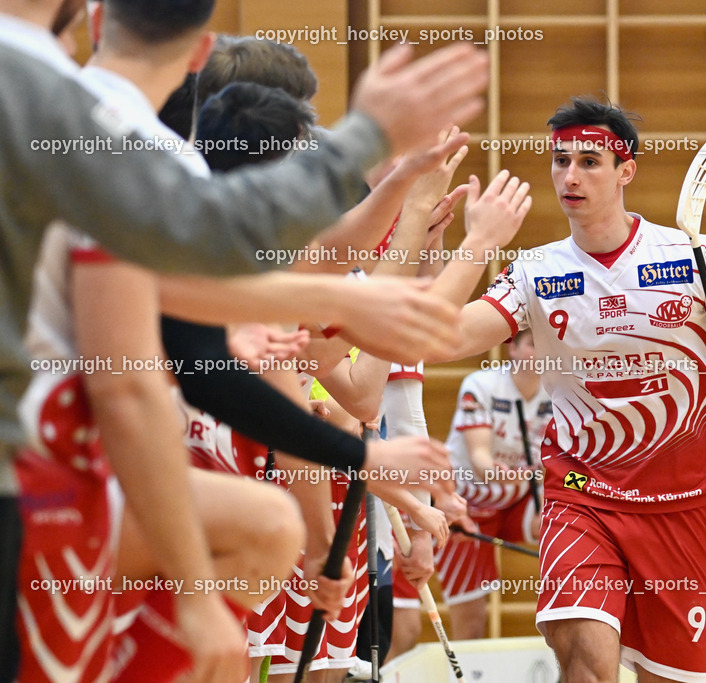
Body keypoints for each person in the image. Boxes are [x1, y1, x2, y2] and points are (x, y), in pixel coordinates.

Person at [0, 1, 488, 675]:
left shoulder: (122, 142)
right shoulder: (102, 132)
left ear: (97, 19)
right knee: (263, 540)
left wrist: (378, 210)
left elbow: (209, 288)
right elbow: (154, 365)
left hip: (128, 452)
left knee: (262, 533)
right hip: (70, 464)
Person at [431, 96, 706, 682]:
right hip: (581, 492)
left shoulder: (693, 259)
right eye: (560, 161)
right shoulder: (535, 271)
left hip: (678, 506)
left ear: (626, 169)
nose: (570, 175)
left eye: (589, 161)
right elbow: (441, 339)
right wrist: (451, 248)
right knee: (587, 657)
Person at [434, 330, 550, 640]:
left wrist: (555, 500)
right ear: (512, 348)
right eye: (533, 344)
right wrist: (498, 471)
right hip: (465, 502)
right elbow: (480, 458)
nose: (540, 354)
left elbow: (565, 470)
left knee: (568, 525)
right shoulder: (480, 385)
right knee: (471, 623)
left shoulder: (561, 393)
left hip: (520, 498)